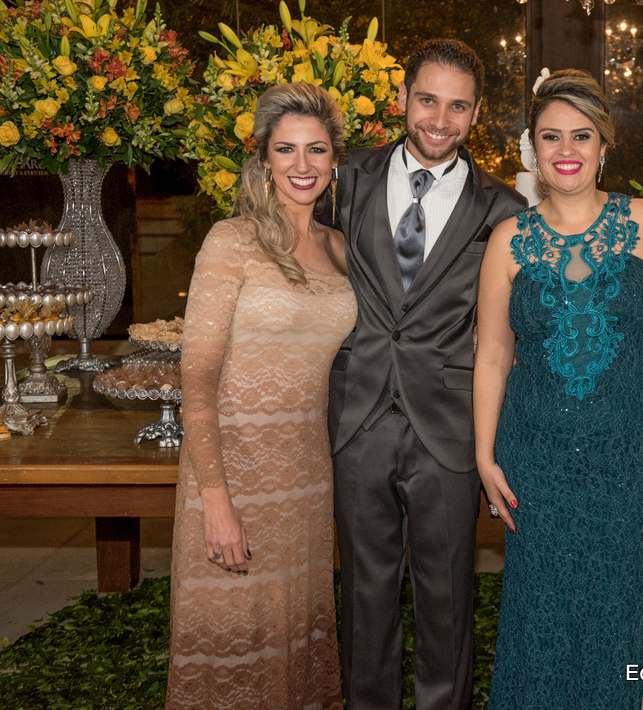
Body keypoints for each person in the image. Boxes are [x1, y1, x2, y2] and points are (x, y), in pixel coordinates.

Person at [474, 69, 643, 709]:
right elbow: (492, 355)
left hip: (631, 465)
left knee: (621, 621)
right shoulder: (508, 240)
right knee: (539, 620)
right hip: (535, 465)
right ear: (533, 147)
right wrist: (485, 458)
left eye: (581, 135)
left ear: (604, 144)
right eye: (551, 136)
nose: (566, 149)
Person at [325, 39, 525, 710]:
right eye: (428, 100)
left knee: (448, 600)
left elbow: (515, 330)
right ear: (402, 97)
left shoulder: (503, 210)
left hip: (449, 426)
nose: (440, 120)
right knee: (364, 596)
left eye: (458, 106)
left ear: (477, 113)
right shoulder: (343, 179)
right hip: (356, 417)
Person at [167, 82, 354, 710]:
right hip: (234, 475)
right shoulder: (232, 241)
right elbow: (197, 380)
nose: (302, 165)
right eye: (286, 149)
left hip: (306, 477)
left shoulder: (340, 248)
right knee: (232, 646)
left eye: (316, 149)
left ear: (334, 159)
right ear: (264, 159)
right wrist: (215, 501)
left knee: (293, 637)